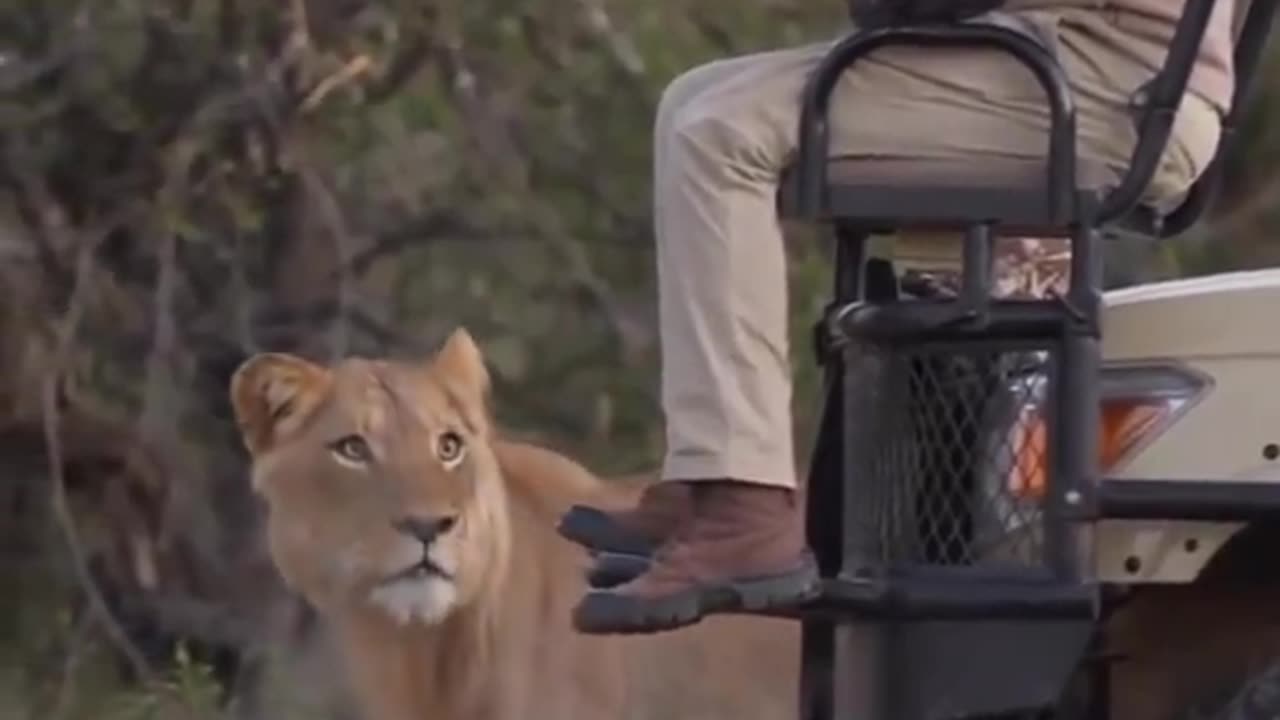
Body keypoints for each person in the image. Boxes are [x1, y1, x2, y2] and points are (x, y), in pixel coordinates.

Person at [561, 0, 1236, 634]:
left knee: (718, 134)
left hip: (1106, 81)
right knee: (692, 98)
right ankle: (715, 479)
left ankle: (746, 508)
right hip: (1082, 59)